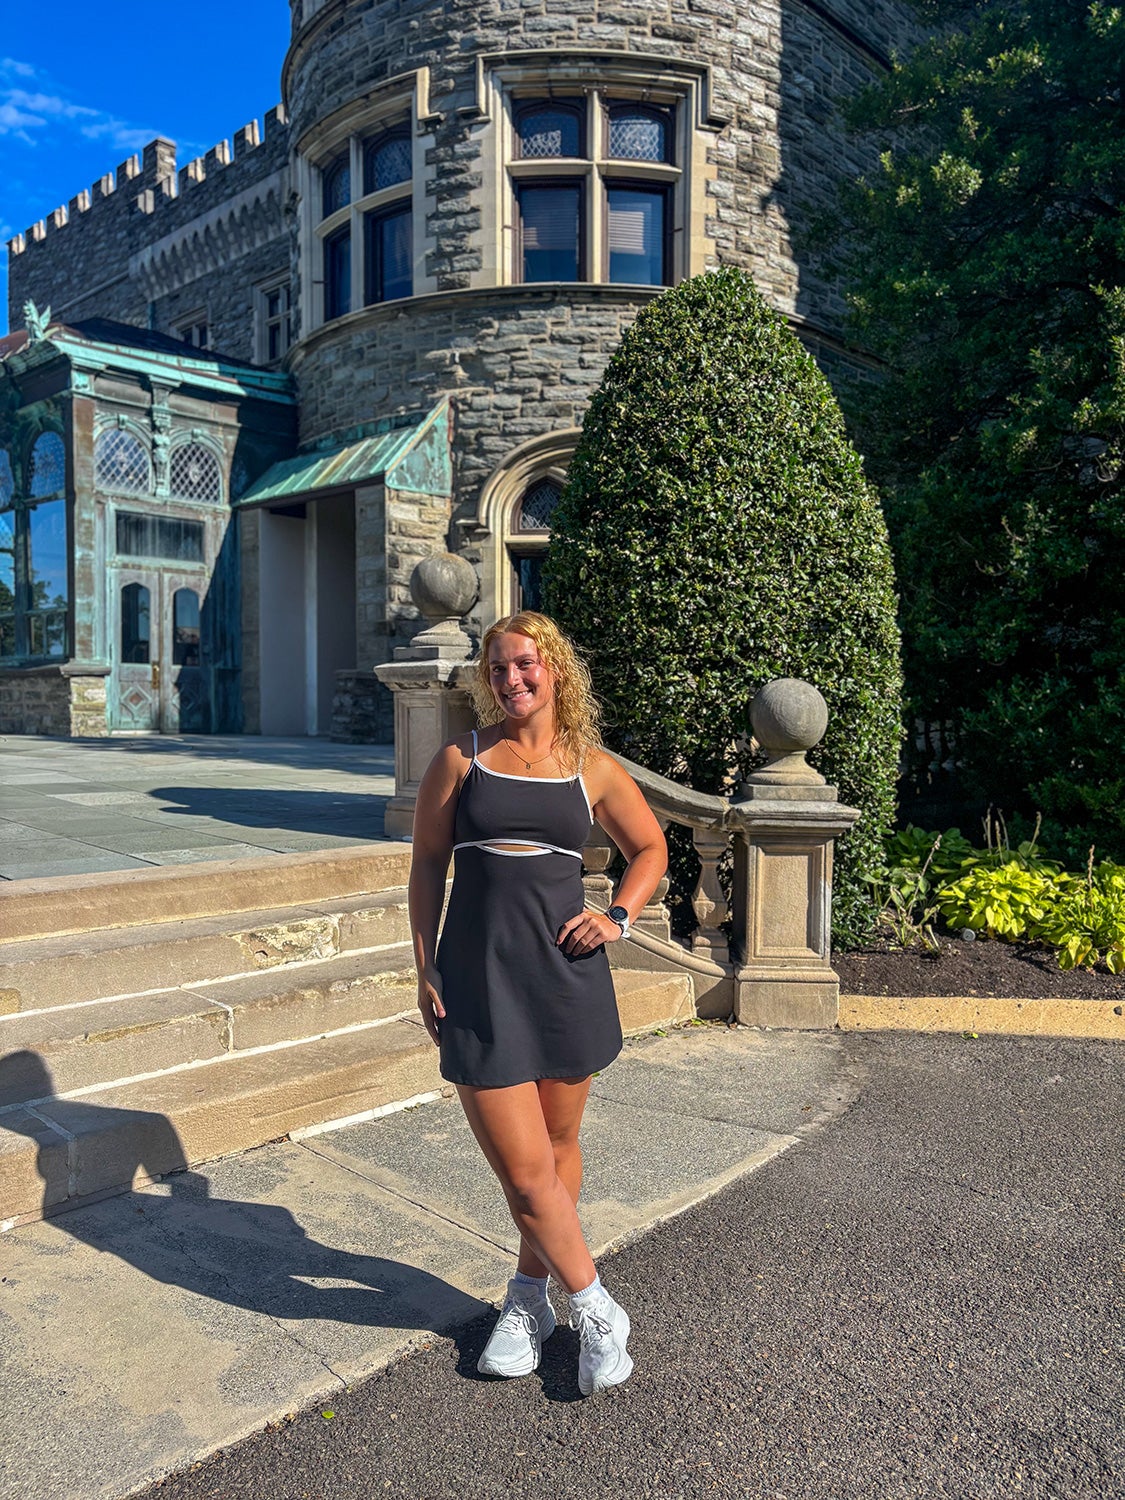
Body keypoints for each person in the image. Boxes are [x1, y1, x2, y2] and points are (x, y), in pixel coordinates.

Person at [408, 611, 667, 1395]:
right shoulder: (460, 760)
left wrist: (616, 915)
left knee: (555, 1154)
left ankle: (527, 1301)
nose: (511, 680)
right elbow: (426, 868)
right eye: (497, 669)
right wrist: (424, 967)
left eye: (525, 665)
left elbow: (650, 848)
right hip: (479, 981)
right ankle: (595, 1307)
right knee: (524, 1176)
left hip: (565, 979)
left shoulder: (590, 767)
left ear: (554, 670)